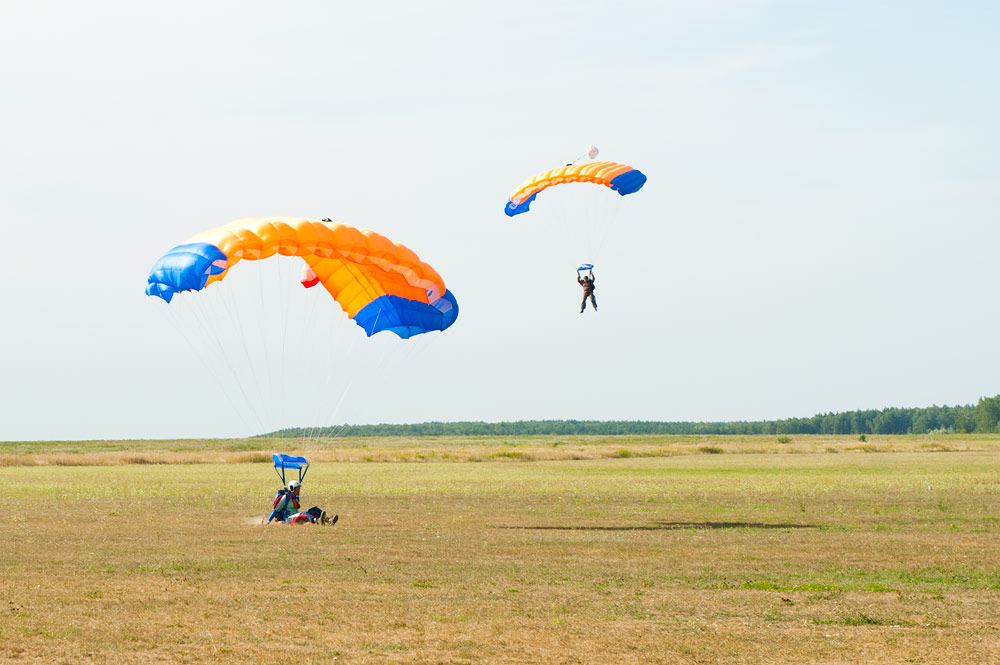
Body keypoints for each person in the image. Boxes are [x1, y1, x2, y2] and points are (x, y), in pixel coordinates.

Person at [265, 480, 337, 525]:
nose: (299, 491)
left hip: (296, 516)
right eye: (297, 489)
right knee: (304, 514)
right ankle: (315, 520)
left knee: (315, 509)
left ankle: (329, 520)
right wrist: (268, 522)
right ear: (292, 488)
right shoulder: (286, 497)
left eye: (299, 489)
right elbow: (275, 510)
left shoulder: (296, 498)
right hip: (288, 519)